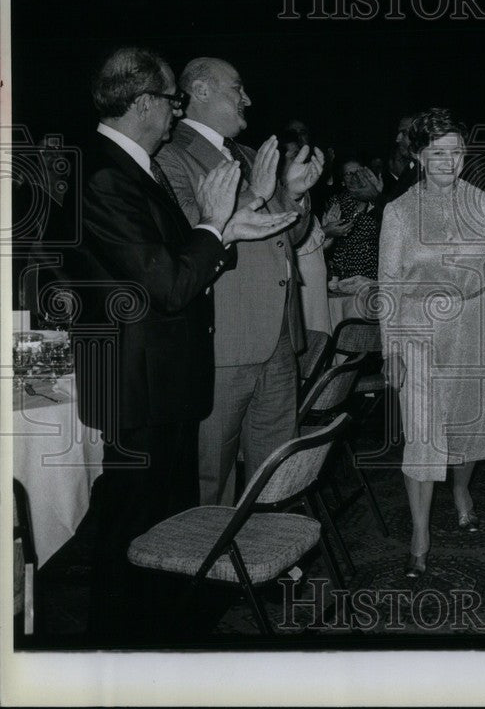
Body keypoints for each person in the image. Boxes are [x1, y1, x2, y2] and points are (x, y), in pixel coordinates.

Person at [72, 47, 298, 641]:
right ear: (144, 103)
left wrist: (228, 227)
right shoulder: (103, 173)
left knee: (161, 528)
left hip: (164, 382)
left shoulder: (132, 164)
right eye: (171, 100)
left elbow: (179, 257)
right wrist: (214, 224)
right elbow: (170, 284)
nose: (175, 112)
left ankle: (163, 635)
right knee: (129, 534)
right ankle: (116, 653)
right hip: (135, 388)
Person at [156, 57, 323, 505]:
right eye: (238, 87)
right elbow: (197, 235)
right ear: (202, 91)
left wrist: (295, 195)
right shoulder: (169, 157)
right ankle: (214, 572)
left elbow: (290, 236)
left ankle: (267, 569)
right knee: (213, 478)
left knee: (276, 474)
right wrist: (262, 193)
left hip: (279, 340)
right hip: (226, 343)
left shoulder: (250, 155)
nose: (247, 98)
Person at [378, 108, 485, 576]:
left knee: (467, 424)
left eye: (456, 152)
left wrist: (471, 280)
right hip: (420, 334)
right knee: (423, 435)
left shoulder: (484, 201)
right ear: (417, 155)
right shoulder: (398, 212)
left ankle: (460, 490)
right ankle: (420, 533)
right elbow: (388, 283)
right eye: (437, 153)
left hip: (474, 327)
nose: (448, 162)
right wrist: (389, 349)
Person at [280, 120, 333, 336]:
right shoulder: (273, 197)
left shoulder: (307, 192)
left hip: (316, 281)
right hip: (300, 285)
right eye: (292, 157)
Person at [322, 157, 383, 283]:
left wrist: (376, 198)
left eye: (358, 172)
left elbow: (381, 229)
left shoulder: (378, 198)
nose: (355, 176)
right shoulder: (337, 201)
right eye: (349, 173)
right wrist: (360, 208)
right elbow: (345, 233)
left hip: (372, 265)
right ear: (343, 181)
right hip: (346, 267)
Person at [381, 114, 418, 203]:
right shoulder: (410, 169)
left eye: (404, 133)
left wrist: (375, 197)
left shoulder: (434, 171)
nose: (398, 139)